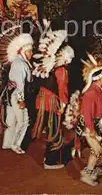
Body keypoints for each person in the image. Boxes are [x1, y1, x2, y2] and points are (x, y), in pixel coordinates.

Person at [31, 28, 75, 169]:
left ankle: (48, 157)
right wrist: (63, 105)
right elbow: (63, 90)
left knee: (50, 128)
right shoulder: (62, 70)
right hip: (52, 103)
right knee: (54, 130)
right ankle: (50, 161)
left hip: (42, 99)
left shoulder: (51, 68)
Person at [0, 30, 35, 155]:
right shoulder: (20, 64)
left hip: (11, 94)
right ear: (23, 51)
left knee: (11, 120)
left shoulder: (20, 62)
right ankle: (15, 144)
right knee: (24, 121)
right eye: (30, 51)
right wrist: (21, 100)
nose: (32, 53)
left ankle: (7, 143)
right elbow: (20, 85)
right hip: (16, 95)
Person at [76, 54, 102, 186]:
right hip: (90, 126)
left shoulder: (98, 90)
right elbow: (86, 113)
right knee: (97, 149)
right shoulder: (91, 93)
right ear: (98, 78)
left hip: (97, 124)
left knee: (97, 149)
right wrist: (90, 129)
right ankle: (87, 173)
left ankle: (93, 168)